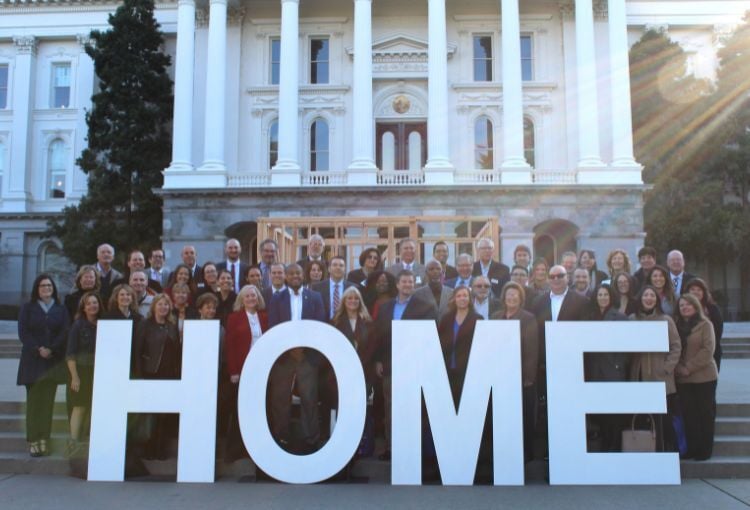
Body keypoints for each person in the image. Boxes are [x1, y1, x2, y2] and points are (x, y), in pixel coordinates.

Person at [374, 270, 437, 460]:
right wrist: (378, 359)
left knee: (414, 407)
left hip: (414, 365)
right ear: (397, 285)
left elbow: (429, 337)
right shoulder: (385, 307)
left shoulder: (426, 306)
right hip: (390, 364)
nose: (408, 285)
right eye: (404, 282)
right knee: (390, 407)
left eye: (411, 282)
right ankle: (391, 447)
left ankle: (411, 447)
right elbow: (379, 336)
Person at [267, 264, 327, 452]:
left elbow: (320, 324)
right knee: (280, 398)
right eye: (291, 273)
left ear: (304, 275)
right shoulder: (277, 298)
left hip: (307, 355)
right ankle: (281, 437)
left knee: (309, 398)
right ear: (285, 276)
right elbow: (273, 326)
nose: (295, 276)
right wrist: (289, 349)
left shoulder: (315, 297)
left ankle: (311, 439)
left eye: (298, 273)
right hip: (283, 356)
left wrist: (303, 349)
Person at [17, 274, 70, 457]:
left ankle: (44, 440)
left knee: (47, 404)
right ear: (36, 289)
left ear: (53, 288)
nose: (46, 288)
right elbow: (23, 333)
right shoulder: (28, 308)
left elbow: (65, 331)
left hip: (51, 362)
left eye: (49, 285)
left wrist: (52, 349)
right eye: (42, 286)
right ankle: (33, 440)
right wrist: (38, 349)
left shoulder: (61, 309)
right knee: (34, 404)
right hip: (32, 361)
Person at [629, 285, 682, 452]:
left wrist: (666, 368)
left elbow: (676, 346)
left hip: (661, 378)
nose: (649, 298)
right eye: (646, 295)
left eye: (652, 295)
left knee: (663, 420)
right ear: (640, 298)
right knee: (642, 418)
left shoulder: (666, 320)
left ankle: (666, 453)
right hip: (638, 376)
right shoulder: (632, 320)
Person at [492, 281, 538, 462]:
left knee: (523, 416)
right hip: (500, 375)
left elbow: (532, 349)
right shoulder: (496, 317)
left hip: (520, 377)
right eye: (508, 295)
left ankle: (525, 454)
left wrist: (528, 376)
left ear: (520, 298)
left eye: (514, 295)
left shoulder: (528, 318)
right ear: (503, 298)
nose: (511, 298)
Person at [133, 294, 181, 459]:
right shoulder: (145, 325)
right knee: (150, 414)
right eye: (160, 304)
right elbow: (137, 351)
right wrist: (139, 376)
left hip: (169, 375)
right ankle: (148, 450)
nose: (163, 308)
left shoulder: (172, 326)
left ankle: (160, 449)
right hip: (150, 374)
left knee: (164, 414)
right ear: (154, 307)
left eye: (166, 305)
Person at [225, 285, 268, 460]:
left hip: (261, 370)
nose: (251, 298)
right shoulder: (234, 318)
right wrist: (233, 371)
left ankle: (257, 449)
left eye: (254, 295)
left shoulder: (265, 317)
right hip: (242, 370)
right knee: (240, 411)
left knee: (259, 409)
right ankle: (235, 450)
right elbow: (229, 347)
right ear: (242, 300)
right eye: (248, 296)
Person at [674, 293, 719, 461]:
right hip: (683, 378)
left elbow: (708, 351)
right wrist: (679, 367)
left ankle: (705, 450)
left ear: (695, 306)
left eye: (688, 304)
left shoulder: (705, 324)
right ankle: (692, 449)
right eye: (682, 305)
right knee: (689, 416)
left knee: (704, 415)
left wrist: (689, 368)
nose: (685, 307)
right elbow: (674, 349)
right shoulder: (677, 326)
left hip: (704, 377)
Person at [585, 284, 629, 452]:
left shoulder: (620, 317)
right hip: (594, 370)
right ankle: (604, 444)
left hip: (613, 370)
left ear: (611, 297)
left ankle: (615, 445)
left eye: (606, 294)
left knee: (614, 412)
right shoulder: (590, 317)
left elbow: (626, 345)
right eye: (599, 294)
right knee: (599, 411)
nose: (602, 297)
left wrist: (619, 364)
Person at [65, 291, 103, 455]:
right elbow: (70, 353)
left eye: (95, 303)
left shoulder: (104, 323)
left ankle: (89, 441)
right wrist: (75, 376)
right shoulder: (78, 325)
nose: (92, 306)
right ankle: (73, 441)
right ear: (84, 307)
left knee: (94, 407)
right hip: (81, 371)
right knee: (79, 407)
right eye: (89, 304)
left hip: (99, 372)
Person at [438, 286, 483, 406]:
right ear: (454, 299)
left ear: (470, 299)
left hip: (468, 371)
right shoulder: (446, 319)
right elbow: (440, 343)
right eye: (459, 296)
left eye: (465, 295)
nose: (462, 298)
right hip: (447, 369)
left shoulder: (478, 319)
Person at [686, 278, 724, 372]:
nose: (696, 292)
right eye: (693, 289)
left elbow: (717, 333)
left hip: (710, 354)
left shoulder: (712, 309)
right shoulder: (682, 308)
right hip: (687, 357)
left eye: (699, 290)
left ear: (704, 292)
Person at [313, 256, 354, 320]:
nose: (338, 268)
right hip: (324, 325)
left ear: (345, 269)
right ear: (329, 269)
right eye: (335, 265)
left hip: (346, 326)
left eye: (341, 265)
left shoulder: (353, 287)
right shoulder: (317, 287)